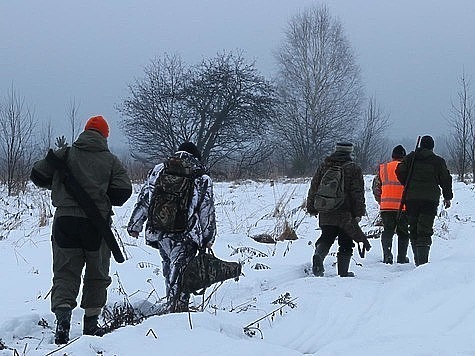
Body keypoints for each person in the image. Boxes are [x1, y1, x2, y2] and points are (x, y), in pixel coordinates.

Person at [30, 115, 132, 344]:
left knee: (65, 272)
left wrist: (58, 184)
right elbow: (123, 192)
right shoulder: (111, 161)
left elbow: (37, 174)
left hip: (64, 221)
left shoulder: (64, 154)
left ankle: (63, 321)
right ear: (105, 136)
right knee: (97, 274)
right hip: (95, 226)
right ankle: (91, 326)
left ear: (84, 132)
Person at [127, 142, 216, 313]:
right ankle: (177, 312)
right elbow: (206, 210)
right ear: (196, 156)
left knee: (169, 267)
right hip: (186, 234)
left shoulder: (159, 170)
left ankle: (172, 305)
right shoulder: (201, 177)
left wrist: (135, 224)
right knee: (181, 272)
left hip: (160, 231)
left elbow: (145, 199)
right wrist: (208, 238)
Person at [306, 141, 369, 277]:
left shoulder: (324, 166)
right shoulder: (353, 168)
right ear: (349, 152)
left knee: (327, 236)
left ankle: (318, 255)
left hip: (326, 209)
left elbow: (314, 186)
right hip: (345, 212)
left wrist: (312, 207)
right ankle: (343, 272)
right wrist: (358, 212)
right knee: (346, 241)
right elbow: (357, 192)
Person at [395, 135, 453, 266]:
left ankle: (418, 261)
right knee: (424, 230)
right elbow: (445, 179)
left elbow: (399, 171)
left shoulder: (411, 158)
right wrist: (447, 197)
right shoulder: (438, 161)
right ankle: (423, 263)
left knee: (414, 228)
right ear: (432, 147)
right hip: (430, 200)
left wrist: (407, 183)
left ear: (421, 145)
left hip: (412, 199)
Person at [372, 145, 410, 264]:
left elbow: (376, 188)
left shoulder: (383, 168)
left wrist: (381, 201)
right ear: (404, 157)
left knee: (388, 231)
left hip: (386, 207)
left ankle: (387, 255)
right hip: (403, 207)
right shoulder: (408, 169)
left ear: (392, 156)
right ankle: (402, 257)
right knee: (403, 233)